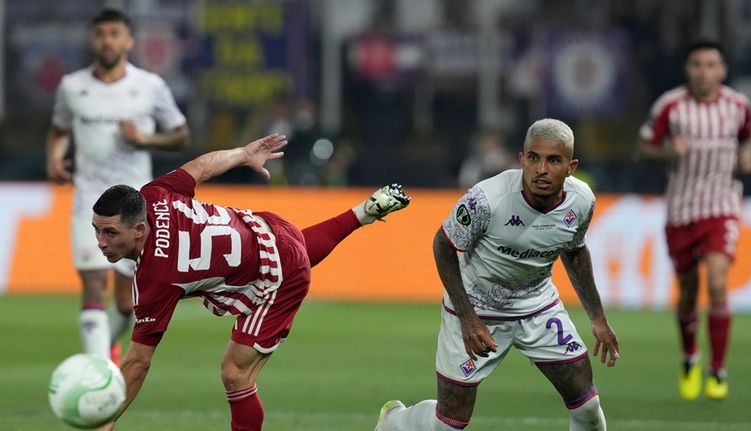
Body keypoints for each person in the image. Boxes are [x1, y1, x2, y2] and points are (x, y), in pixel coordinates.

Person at [90, 133, 410, 431]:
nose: (101, 242)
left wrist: (105, 419)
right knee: (293, 249)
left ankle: (359, 216)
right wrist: (243, 154)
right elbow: (200, 167)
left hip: (277, 275)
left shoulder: (155, 278)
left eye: (110, 232)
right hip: (266, 228)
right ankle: (363, 213)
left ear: (139, 230)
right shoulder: (154, 194)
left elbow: (137, 363)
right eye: (97, 230)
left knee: (235, 373)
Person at [375, 118, 619, 431]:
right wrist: (467, 318)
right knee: (450, 424)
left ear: (571, 166)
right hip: (477, 308)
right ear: (522, 160)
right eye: (534, 158)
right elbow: (443, 246)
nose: (541, 169)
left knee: (587, 406)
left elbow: (574, 250)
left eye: (553, 160)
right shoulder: (486, 200)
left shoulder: (582, 200)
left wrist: (597, 318)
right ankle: (395, 420)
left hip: (537, 306)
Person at [46, 8, 189, 363]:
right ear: (92, 40)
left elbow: (181, 135)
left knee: (126, 302)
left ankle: (105, 348)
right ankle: (98, 370)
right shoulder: (72, 87)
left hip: (133, 208)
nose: (107, 40)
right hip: (87, 205)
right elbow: (60, 129)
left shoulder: (149, 86)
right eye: (100, 34)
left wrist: (144, 138)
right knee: (93, 285)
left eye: (114, 33)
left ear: (128, 41)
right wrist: (55, 157)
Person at [638, 39, 751, 401]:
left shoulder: (739, 106)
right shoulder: (670, 106)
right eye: (697, 65)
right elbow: (644, 148)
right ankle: (690, 356)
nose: (703, 72)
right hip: (681, 210)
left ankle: (717, 371)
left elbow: (747, 139)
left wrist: (747, 157)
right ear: (688, 70)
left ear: (722, 70)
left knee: (718, 283)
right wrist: (668, 151)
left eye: (710, 65)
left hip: (722, 205)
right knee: (688, 291)